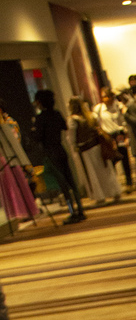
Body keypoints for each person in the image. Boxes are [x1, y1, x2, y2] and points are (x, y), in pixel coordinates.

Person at [32, 88, 84, 223]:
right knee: (71, 180)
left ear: (40, 102)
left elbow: (37, 137)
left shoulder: (40, 118)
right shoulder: (56, 114)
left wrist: (34, 128)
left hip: (50, 152)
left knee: (63, 183)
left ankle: (72, 212)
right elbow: (64, 127)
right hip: (61, 149)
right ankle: (80, 209)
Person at [66, 96, 121, 205]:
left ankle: (100, 196)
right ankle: (115, 192)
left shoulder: (73, 120)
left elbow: (72, 138)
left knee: (93, 174)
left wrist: (73, 146)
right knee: (106, 171)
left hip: (86, 150)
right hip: (98, 147)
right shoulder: (91, 116)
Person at [94, 87, 134, 191]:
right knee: (111, 161)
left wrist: (126, 135)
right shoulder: (99, 109)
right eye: (103, 97)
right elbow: (96, 123)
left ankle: (129, 181)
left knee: (124, 157)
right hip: (107, 136)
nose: (105, 99)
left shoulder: (118, 106)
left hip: (119, 134)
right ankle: (114, 185)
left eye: (107, 96)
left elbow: (123, 121)